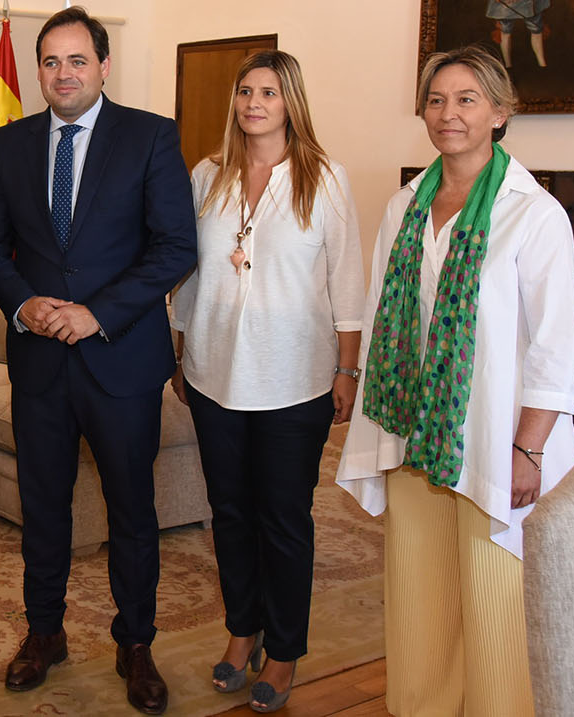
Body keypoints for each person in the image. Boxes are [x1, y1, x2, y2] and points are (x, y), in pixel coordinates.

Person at [336, 45, 574, 716]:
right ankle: (421, 704)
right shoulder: (405, 205)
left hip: (494, 438)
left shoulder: (533, 215)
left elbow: (557, 348)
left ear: (500, 112)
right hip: (415, 432)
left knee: (493, 592)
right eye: (436, 99)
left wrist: (527, 447)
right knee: (421, 587)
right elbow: (392, 312)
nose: (448, 113)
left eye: (467, 99)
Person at [0, 7, 197, 716]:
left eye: (76, 60)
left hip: (120, 360)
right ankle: (44, 632)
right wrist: (23, 304)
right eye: (50, 61)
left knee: (131, 509)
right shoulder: (8, 144)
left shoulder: (149, 136)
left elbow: (174, 246)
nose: (62, 73)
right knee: (42, 508)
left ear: (103, 66)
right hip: (40, 361)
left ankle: (135, 642)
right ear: (37, 69)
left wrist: (96, 312)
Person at [169, 50, 363, 713]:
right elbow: (192, 271)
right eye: (246, 91)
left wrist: (346, 365)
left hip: (294, 379)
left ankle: (283, 649)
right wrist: (178, 340)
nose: (254, 102)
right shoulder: (207, 176)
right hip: (212, 372)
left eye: (269, 93)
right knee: (228, 512)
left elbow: (347, 281)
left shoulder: (324, 178)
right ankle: (240, 628)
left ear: (291, 103)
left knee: (282, 517)